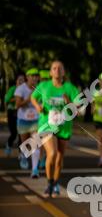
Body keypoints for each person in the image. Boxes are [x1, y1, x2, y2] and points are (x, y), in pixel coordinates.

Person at [31, 61, 79, 196]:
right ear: (51, 72)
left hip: (64, 127)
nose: (57, 70)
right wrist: (37, 106)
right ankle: (49, 183)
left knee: (59, 158)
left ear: (63, 72)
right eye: (54, 68)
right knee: (51, 153)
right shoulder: (44, 86)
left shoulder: (70, 88)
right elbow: (33, 97)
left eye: (60, 68)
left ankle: (56, 183)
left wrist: (68, 101)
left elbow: (77, 109)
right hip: (47, 125)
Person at [15, 69, 41, 176]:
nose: (34, 78)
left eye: (36, 76)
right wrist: (30, 98)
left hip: (36, 120)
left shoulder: (40, 88)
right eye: (32, 76)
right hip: (23, 120)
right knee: (25, 145)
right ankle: (23, 157)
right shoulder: (21, 89)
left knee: (35, 144)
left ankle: (34, 169)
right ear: (27, 77)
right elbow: (17, 105)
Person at [5, 73, 25, 156]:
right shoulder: (12, 89)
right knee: (14, 133)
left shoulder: (25, 89)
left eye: (23, 80)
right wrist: (17, 99)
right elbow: (7, 100)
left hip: (22, 113)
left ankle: (21, 153)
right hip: (12, 112)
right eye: (19, 79)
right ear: (16, 81)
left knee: (21, 134)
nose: (21, 81)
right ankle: (9, 145)